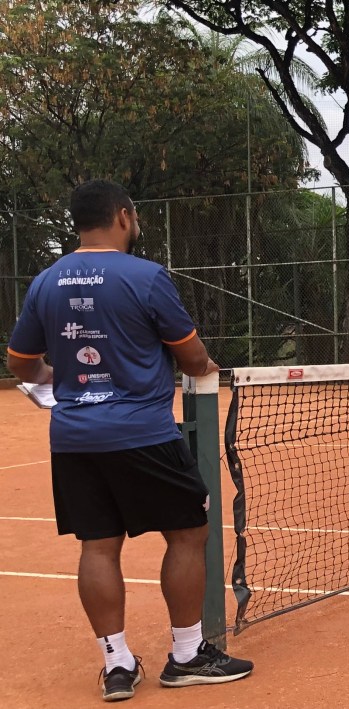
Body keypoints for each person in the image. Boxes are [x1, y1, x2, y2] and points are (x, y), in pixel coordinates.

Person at [6, 180, 253, 702]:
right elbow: (191, 358)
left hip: (74, 438)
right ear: (123, 216)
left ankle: (117, 666)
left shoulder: (46, 282)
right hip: (143, 433)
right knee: (188, 532)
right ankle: (186, 655)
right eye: (135, 217)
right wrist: (202, 364)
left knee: (98, 546)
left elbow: (21, 364)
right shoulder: (146, 277)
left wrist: (62, 378)